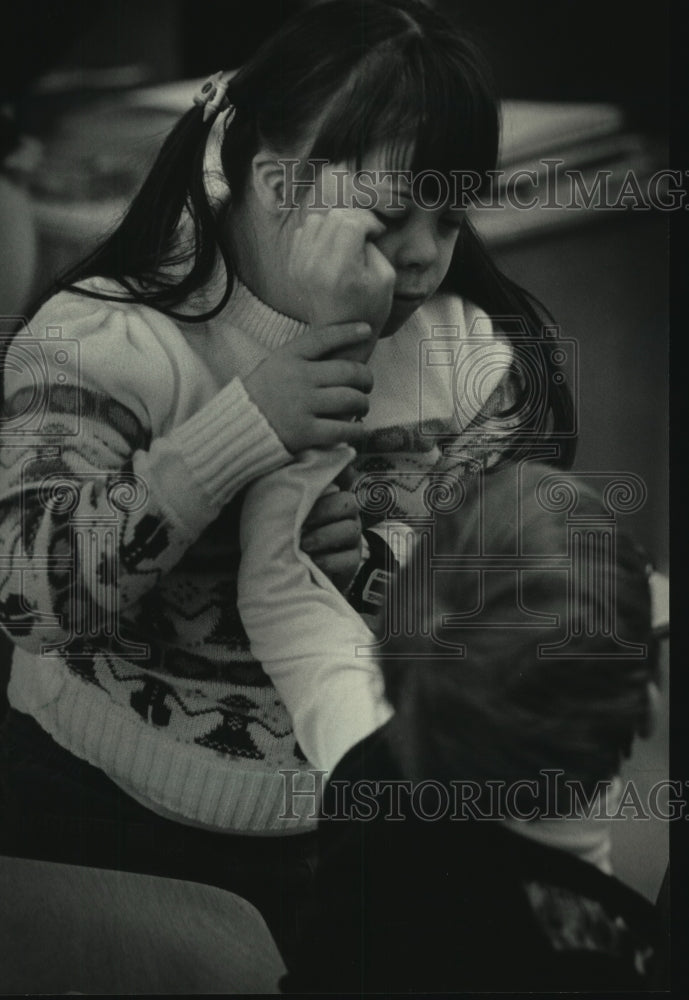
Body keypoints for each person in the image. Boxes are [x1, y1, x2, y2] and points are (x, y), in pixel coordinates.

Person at [0, 0, 572, 958]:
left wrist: (371, 571)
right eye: (391, 218)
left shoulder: (478, 357)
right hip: (98, 820)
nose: (427, 257)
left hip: (353, 820)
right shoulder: (103, 337)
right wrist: (241, 430)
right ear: (274, 179)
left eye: (453, 214)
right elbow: (25, 597)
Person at [237, 458, 662, 991]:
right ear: (648, 706)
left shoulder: (371, 773)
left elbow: (280, 601)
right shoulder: (619, 956)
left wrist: (297, 449)